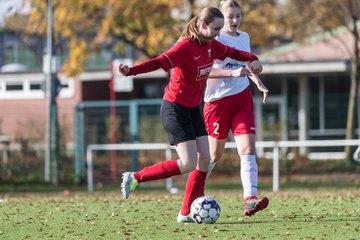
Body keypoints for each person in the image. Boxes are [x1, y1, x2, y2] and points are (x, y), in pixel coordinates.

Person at [118, 6, 263, 223]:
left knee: (205, 159)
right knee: (187, 163)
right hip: (175, 108)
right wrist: (131, 71)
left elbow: (234, 53)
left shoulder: (211, 45)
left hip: (193, 108)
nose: (218, 32)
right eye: (215, 28)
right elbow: (158, 62)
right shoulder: (184, 47)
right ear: (203, 25)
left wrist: (252, 57)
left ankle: (185, 212)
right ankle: (135, 177)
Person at [204, 0, 269, 217]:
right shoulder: (214, 38)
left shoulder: (245, 37)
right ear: (220, 18)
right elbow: (206, 71)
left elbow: (247, 65)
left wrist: (258, 83)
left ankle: (250, 198)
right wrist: (232, 73)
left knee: (248, 149)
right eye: (230, 16)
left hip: (242, 97)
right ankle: (195, 189)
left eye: (238, 16)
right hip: (217, 102)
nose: (235, 20)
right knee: (214, 154)